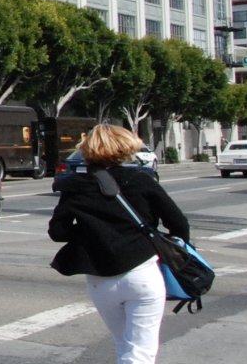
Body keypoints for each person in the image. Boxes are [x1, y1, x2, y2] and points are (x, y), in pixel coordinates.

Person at [49, 124, 190, 364]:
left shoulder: (75, 186)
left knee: (123, 345)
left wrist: (91, 232)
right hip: (142, 273)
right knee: (140, 353)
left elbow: (58, 231)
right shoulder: (140, 180)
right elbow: (179, 224)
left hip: (100, 279)